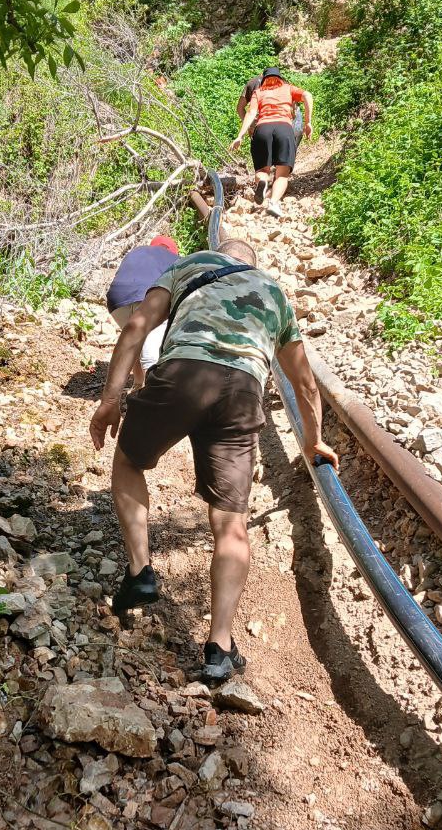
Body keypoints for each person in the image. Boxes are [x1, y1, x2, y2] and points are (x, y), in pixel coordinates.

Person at [89, 237, 338, 682]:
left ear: (220, 252)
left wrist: (111, 399)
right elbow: (306, 385)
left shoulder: (190, 264)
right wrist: (313, 441)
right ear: (253, 264)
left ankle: (140, 571)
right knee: (231, 522)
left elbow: (136, 327)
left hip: (184, 371)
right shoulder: (274, 292)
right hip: (243, 392)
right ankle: (219, 645)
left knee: (129, 462)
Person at [231, 67, 313, 218]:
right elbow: (307, 95)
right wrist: (308, 122)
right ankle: (273, 203)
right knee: (282, 174)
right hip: (284, 128)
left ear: (263, 79)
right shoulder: (288, 88)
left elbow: (250, 113)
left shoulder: (259, 92)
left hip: (262, 129)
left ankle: (262, 185)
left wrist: (240, 136)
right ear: (280, 78)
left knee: (262, 171)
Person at [105, 235, 179, 387]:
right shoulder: (176, 260)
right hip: (147, 297)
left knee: (136, 340)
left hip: (117, 299)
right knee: (151, 354)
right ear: (174, 251)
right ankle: (150, 397)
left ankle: (139, 384)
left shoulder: (138, 251)